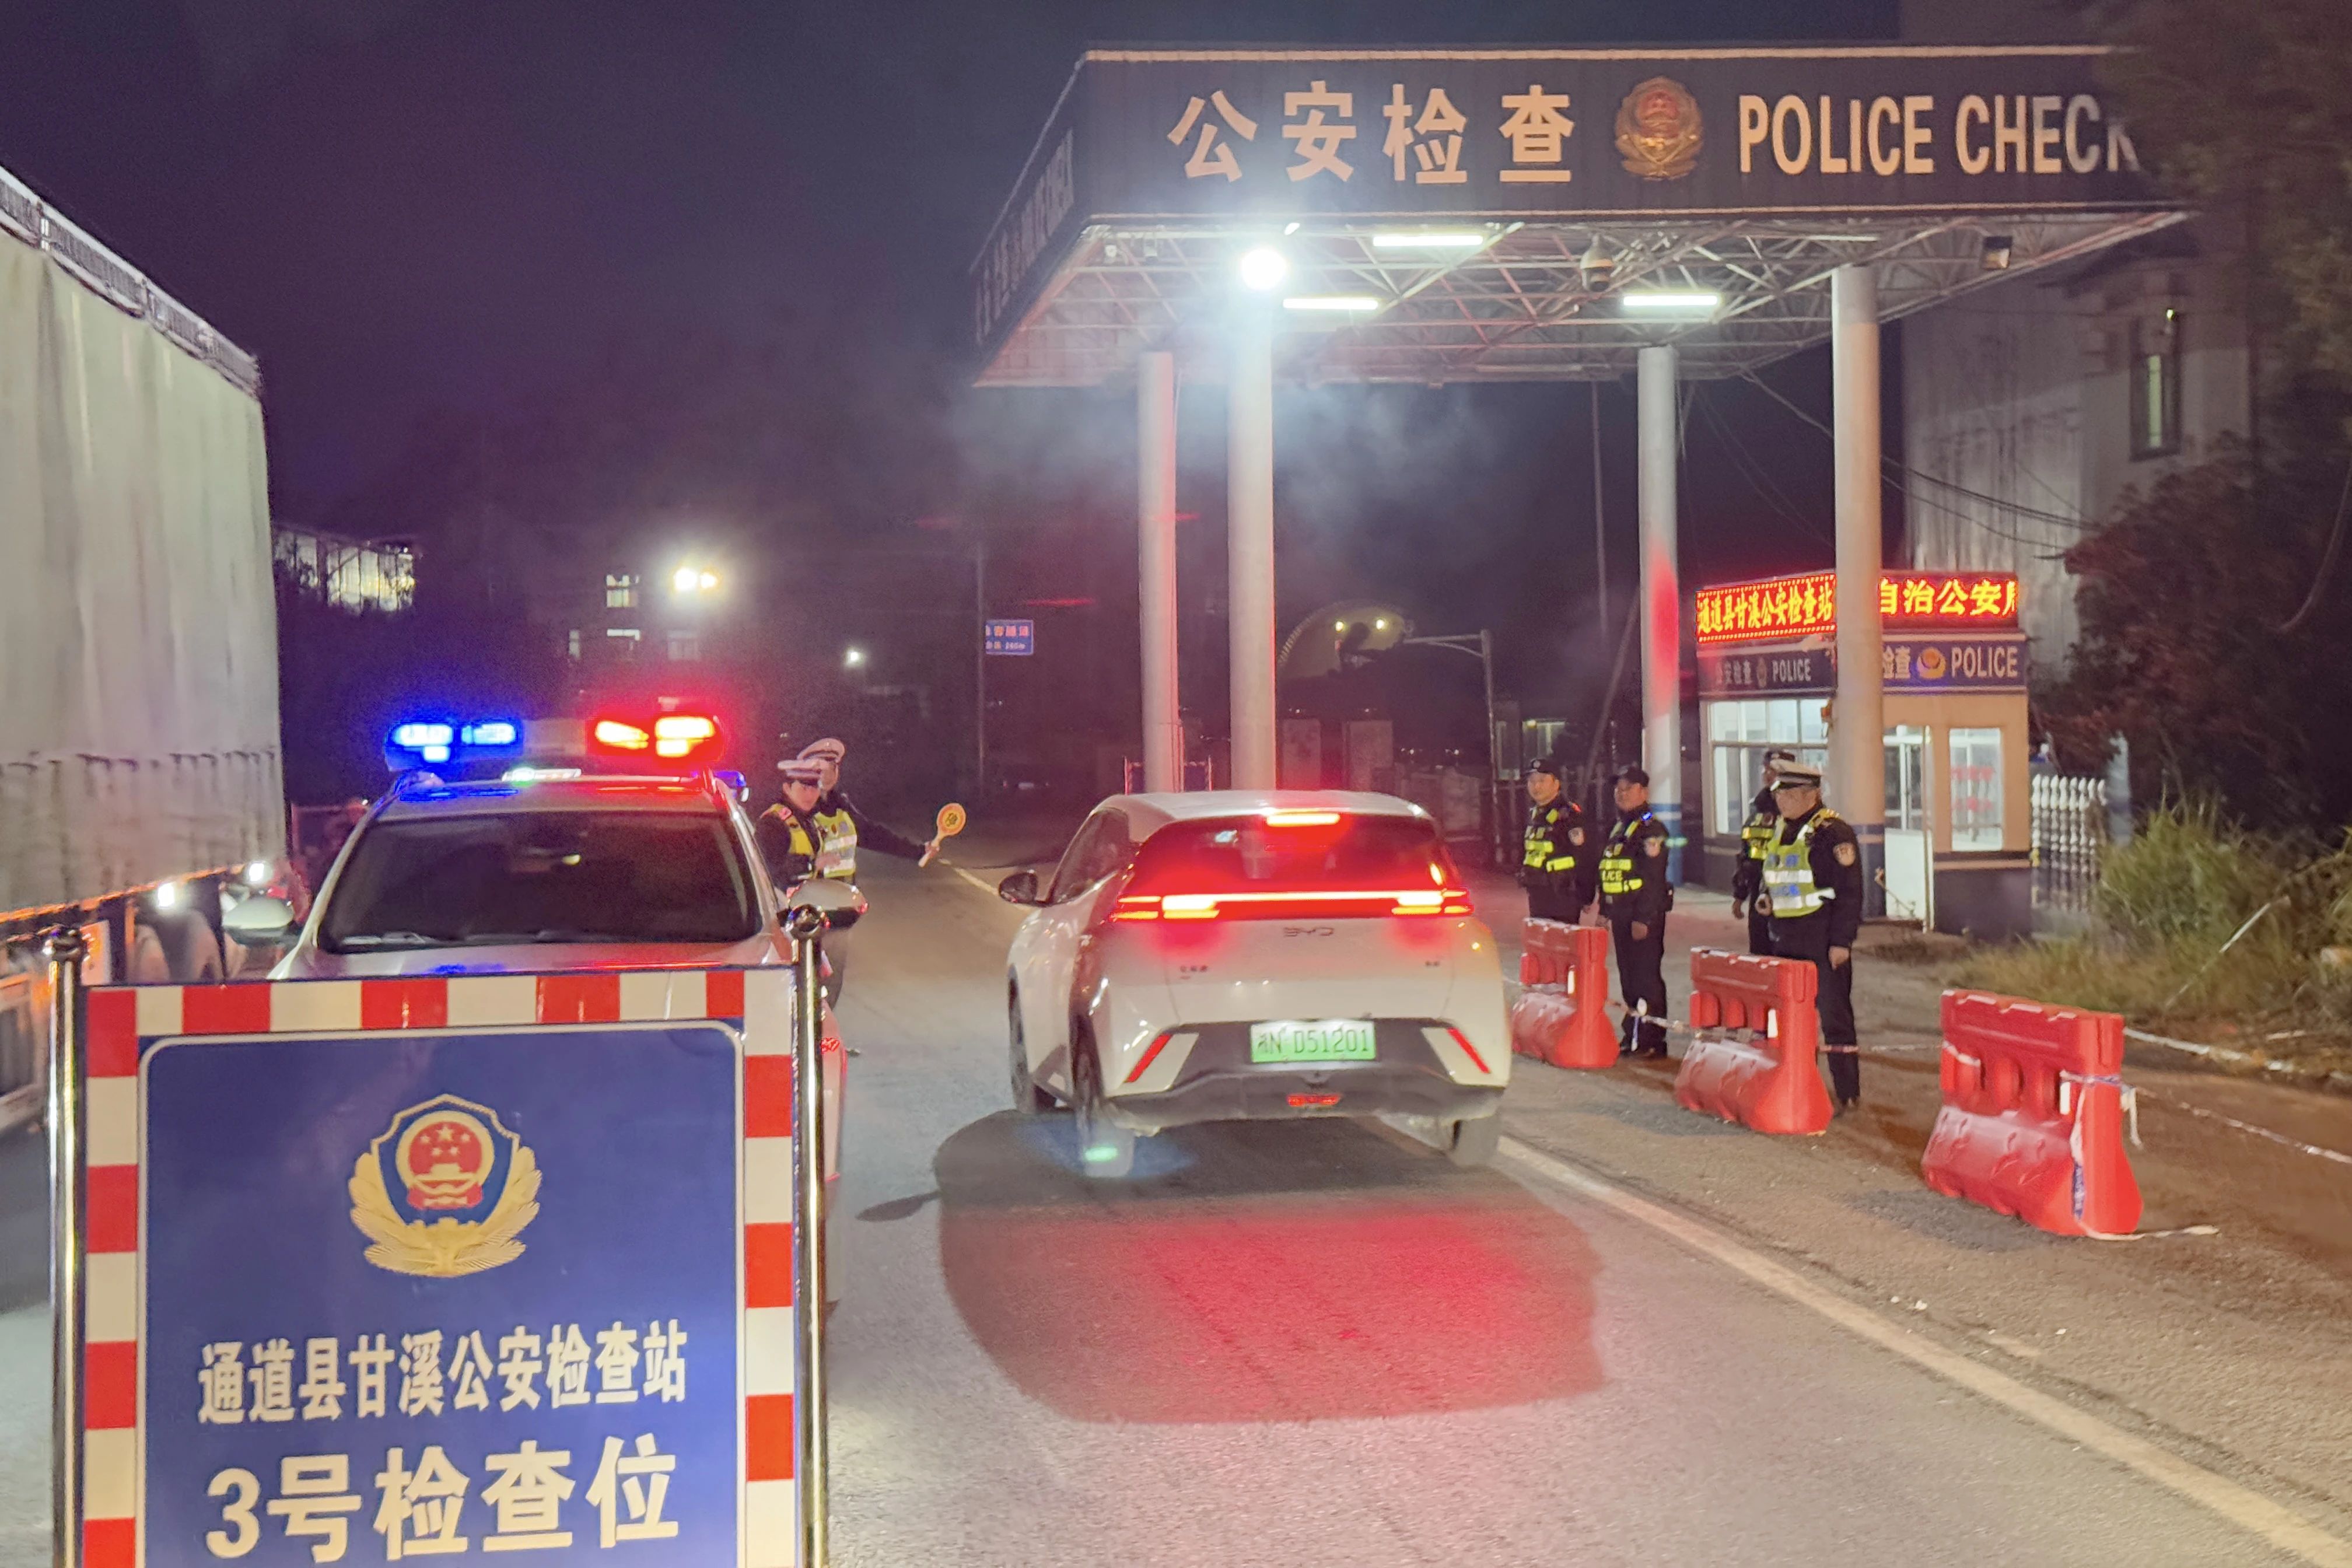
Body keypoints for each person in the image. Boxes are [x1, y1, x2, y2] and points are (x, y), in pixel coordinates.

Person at [1758, 759, 1866, 1113]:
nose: (1781, 801)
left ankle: (1847, 1093)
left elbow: (1850, 893)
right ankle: (1798, 1084)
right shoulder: (1781, 829)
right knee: (1790, 1017)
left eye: (1789, 795)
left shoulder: (1833, 833)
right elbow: (1774, 873)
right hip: (1786, 936)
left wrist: (1841, 942)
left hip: (1822, 938)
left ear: (1811, 795)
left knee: (1835, 1017)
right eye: (1779, 795)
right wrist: (1765, 897)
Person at [1597, 765, 1672, 1058]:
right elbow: (1610, 871)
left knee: (1646, 978)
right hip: (1621, 913)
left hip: (1642, 917)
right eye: (1618, 789)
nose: (1622, 793)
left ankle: (1654, 1040)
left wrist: (1643, 918)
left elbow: (1653, 880)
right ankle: (1634, 1035)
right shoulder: (1620, 827)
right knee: (1629, 979)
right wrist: (1605, 909)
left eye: (1628, 788)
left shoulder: (1651, 830)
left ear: (1644, 792)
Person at [792, 737, 941, 878]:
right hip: (808, 895)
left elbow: (872, 835)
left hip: (844, 893)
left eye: (833, 767)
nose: (828, 775)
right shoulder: (797, 810)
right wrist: (811, 865)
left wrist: (918, 851)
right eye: (821, 768)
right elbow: (783, 864)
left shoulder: (840, 805)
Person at [1730, 748, 1796, 957]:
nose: (1768, 775)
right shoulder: (1757, 808)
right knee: (1759, 954)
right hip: (1758, 890)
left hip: (1788, 894)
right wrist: (1740, 894)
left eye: (1774, 771)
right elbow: (1747, 853)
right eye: (1766, 769)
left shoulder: (1798, 811)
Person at [1518, 758, 1592, 923]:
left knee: (1562, 939)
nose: (1536, 786)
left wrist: (1586, 895)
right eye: (1532, 781)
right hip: (1537, 894)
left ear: (1556, 784)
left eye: (1542, 781)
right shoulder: (1535, 814)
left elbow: (1584, 857)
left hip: (1563, 897)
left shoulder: (1569, 815)